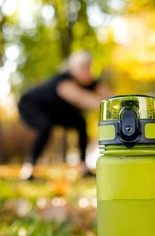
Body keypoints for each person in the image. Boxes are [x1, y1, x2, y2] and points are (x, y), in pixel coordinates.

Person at [17, 51, 112, 180]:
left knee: (80, 122)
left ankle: (83, 168)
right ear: (74, 68)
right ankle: (29, 169)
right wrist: (112, 109)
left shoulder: (90, 83)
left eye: (89, 67)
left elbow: (112, 97)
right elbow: (82, 99)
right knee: (45, 127)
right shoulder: (64, 81)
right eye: (83, 67)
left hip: (54, 112)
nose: (87, 71)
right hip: (30, 105)